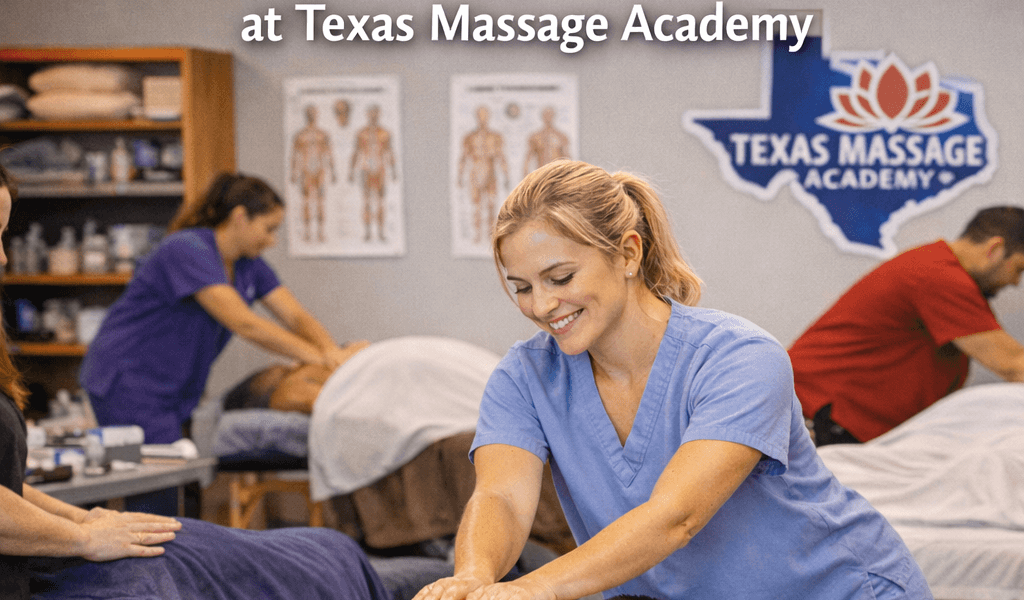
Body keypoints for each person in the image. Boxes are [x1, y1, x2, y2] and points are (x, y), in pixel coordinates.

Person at [414, 160, 932, 600]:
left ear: (629, 254)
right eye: (522, 287)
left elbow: (675, 517)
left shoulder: (739, 358)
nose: (542, 306)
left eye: (561, 278)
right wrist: (474, 578)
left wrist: (532, 590)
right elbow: (502, 496)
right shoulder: (525, 377)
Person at [79, 172, 364, 514]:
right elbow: (245, 324)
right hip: (127, 382)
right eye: (269, 228)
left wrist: (330, 352)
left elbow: (295, 316)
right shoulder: (187, 249)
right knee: (158, 493)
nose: (272, 240)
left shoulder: (249, 266)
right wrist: (322, 359)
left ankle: (182, 564)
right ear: (240, 217)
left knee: (183, 486)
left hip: (172, 390)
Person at [789, 206, 1024, 445]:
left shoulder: (934, 267)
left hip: (835, 421)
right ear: (995, 249)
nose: (1016, 282)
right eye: (1018, 268)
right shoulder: (939, 277)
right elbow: (1014, 365)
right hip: (822, 417)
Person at [458, 105, 508, 244]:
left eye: (485, 115)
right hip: (475, 172)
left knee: (492, 204)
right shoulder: (469, 137)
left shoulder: (496, 137)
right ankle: (478, 235)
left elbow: (501, 156)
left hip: (490, 171)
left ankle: (490, 235)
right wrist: (460, 176)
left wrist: (506, 175)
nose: (483, 118)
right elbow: (463, 157)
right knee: (477, 206)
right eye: (480, 115)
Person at [349, 104, 397, 242]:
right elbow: (356, 152)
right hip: (366, 169)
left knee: (381, 201)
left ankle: (381, 232)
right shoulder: (361, 133)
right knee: (367, 201)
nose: (373, 115)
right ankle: (368, 232)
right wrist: (351, 171)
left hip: (380, 169)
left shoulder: (385, 133)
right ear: (367, 114)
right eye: (371, 113)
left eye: (375, 113)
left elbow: (390, 152)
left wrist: (393, 170)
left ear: (379, 114)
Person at [290, 105, 337, 243]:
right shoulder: (300, 135)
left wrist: (333, 171)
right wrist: (294, 171)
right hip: (306, 171)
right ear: (306, 114)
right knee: (306, 201)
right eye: (309, 112)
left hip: (320, 170)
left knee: (320, 201)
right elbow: (295, 155)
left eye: (313, 112)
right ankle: (307, 232)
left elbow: (329, 153)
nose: (311, 115)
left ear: (317, 114)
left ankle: (321, 232)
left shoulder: (323, 134)